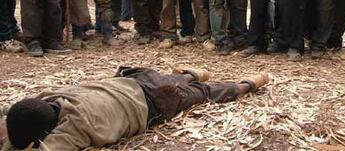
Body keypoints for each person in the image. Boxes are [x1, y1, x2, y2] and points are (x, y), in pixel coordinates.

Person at [1, 66, 268, 150]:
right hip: (134, 79)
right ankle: (190, 74)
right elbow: (15, 112)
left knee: (204, 94)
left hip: (155, 103)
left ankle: (247, 85)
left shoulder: (74, 129)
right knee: (171, 81)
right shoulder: (55, 96)